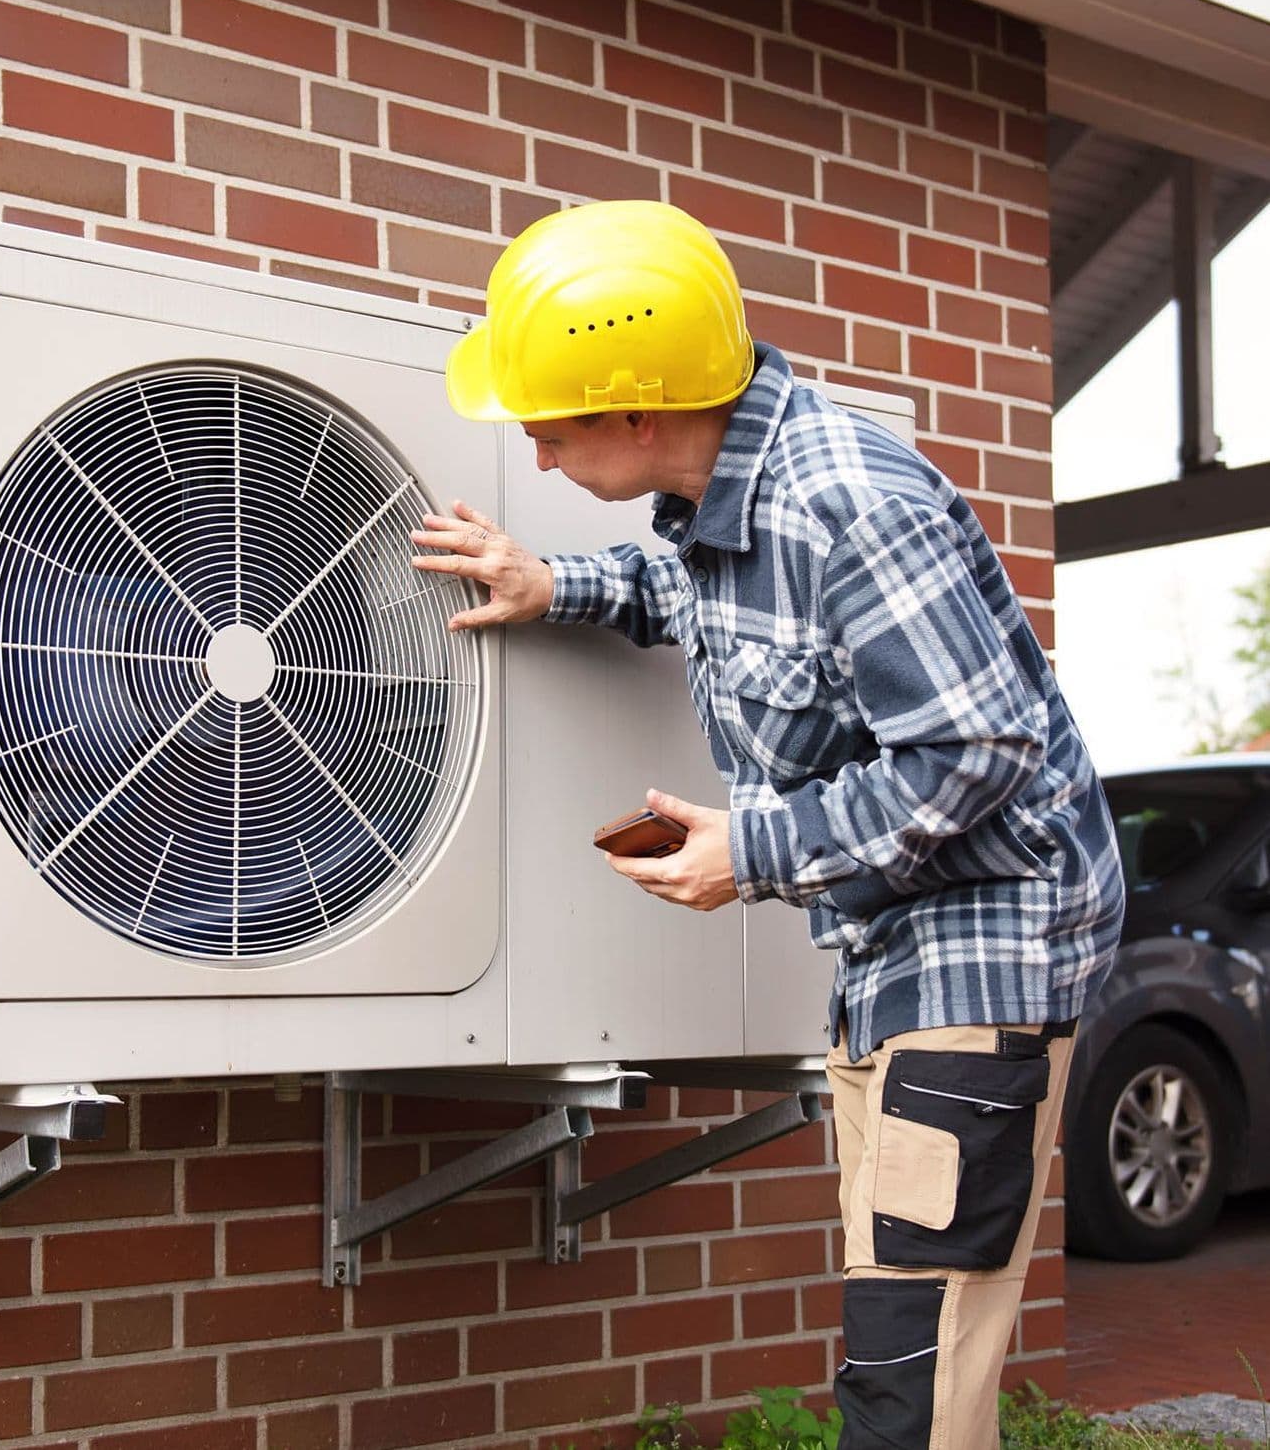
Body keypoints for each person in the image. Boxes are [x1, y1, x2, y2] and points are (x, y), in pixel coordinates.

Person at [411, 199, 1125, 1450]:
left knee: (917, 1359)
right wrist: (555, 583)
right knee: (909, 1318)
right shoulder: (725, 495)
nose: (535, 453)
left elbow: (979, 750)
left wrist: (755, 848)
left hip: (983, 945)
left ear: (640, 405)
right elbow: (702, 595)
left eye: (552, 423)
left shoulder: (846, 497)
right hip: (887, 953)